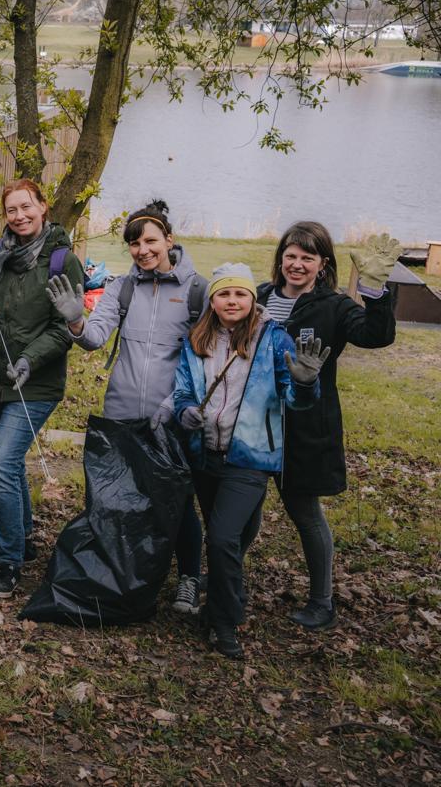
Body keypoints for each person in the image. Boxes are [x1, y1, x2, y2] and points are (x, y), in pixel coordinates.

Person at [45, 199, 208, 613]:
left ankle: (189, 577)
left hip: (172, 416)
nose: (143, 250)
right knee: (118, 496)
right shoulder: (124, 287)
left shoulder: (195, 291)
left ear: (169, 239)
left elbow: (205, 359)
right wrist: (75, 321)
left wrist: (175, 407)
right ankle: (124, 575)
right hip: (121, 412)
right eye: (134, 243)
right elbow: (95, 337)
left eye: (150, 240)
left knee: (176, 499)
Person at [173, 263, 327, 659]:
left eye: (240, 294)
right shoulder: (197, 339)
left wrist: (307, 383)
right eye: (224, 293)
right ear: (213, 300)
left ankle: (224, 622)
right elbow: (183, 391)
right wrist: (186, 411)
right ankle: (223, 601)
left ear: (252, 300)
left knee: (222, 537)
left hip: (251, 456)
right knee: (229, 534)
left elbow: (294, 398)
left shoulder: (273, 340)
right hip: (206, 453)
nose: (232, 301)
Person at [256, 223, 399, 631]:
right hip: (253, 423)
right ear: (280, 257)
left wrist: (374, 292)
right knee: (243, 506)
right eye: (291, 255)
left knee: (304, 512)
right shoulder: (262, 297)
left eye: (307, 257)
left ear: (323, 265)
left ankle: (322, 601)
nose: (296, 264)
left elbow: (375, 335)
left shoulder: (333, 307)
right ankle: (229, 582)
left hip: (304, 428)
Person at [0, 178, 85, 600]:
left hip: (36, 384)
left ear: (43, 206)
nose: (19, 217)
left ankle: (9, 560)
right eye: (11, 210)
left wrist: (30, 359)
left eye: (25, 207)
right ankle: (24, 540)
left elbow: (62, 328)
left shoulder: (61, 261)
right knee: (10, 466)